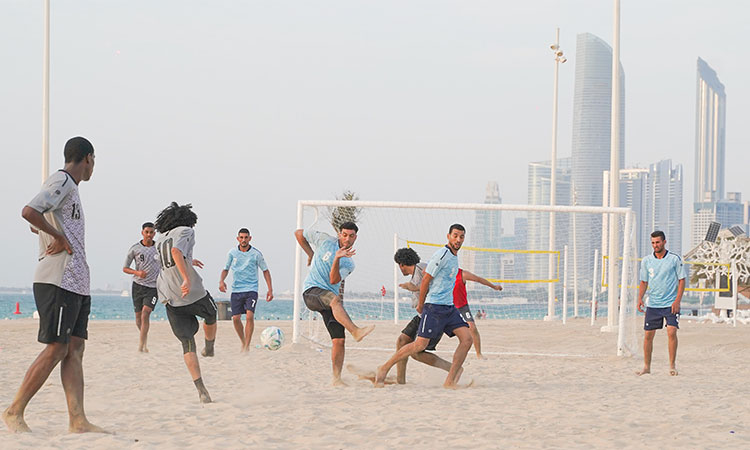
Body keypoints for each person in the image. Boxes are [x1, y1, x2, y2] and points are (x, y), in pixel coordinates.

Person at [4, 137, 106, 434]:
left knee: (74, 348)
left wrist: (49, 230)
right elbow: (29, 211)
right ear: (88, 158)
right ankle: (14, 411)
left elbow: (37, 221)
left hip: (76, 281)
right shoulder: (62, 181)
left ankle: (78, 420)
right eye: (94, 161)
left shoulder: (69, 189)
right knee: (56, 348)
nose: (93, 167)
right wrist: (58, 238)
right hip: (58, 278)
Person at [375, 224, 473, 389]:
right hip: (433, 307)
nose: (458, 239)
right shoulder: (441, 255)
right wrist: (421, 304)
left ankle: (450, 381)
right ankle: (384, 368)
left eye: (461, 237)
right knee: (418, 346)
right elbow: (427, 279)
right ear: (448, 236)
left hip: (448, 307)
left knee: (467, 339)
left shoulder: (454, 256)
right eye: (455, 235)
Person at [294, 222, 375, 386]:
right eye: (344, 235)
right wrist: (310, 254)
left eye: (351, 236)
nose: (347, 239)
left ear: (355, 238)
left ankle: (336, 378)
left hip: (329, 301)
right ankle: (356, 331)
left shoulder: (349, 264)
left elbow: (333, 279)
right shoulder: (324, 240)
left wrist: (338, 259)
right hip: (312, 292)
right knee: (335, 299)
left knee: (339, 340)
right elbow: (298, 233)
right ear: (339, 234)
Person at [154, 202, 216, 403]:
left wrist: (190, 260)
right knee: (211, 313)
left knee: (187, 343)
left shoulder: (160, 238)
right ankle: (209, 347)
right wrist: (186, 277)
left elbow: (167, 260)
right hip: (190, 292)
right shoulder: (186, 230)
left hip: (169, 295)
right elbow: (175, 253)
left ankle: (201, 390)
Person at [393, 247, 452, 384]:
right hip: (421, 316)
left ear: (402, 264)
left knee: (416, 353)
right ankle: (400, 380)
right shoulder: (416, 272)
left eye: (399, 266)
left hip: (433, 315)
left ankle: (452, 368)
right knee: (402, 341)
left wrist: (414, 288)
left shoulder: (421, 267)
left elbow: (435, 284)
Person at [636, 230, 686, 377]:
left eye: (657, 242)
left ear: (664, 242)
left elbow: (682, 280)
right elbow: (644, 282)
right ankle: (647, 366)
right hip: (653, 304)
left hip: (671, 303)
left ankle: (672, 365)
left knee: (671, 331)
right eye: (652, 243)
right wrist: (640, 298)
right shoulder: (646, 261)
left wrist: (677, 301)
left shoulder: (674, 259)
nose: (655, 245)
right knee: (648, 336)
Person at [219, 227, 273, 352]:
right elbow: (225, 269)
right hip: (236, 290)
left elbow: (265, 271)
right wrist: (221, 281)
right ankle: (243, 342)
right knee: (236, 318)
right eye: (241, 237)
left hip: (251, 289)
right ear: (238, 239)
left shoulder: (256, 254)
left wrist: (270, 289)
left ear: (250, 238)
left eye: (246, 237)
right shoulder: (232, 253)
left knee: (249, 316)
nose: (243, 240)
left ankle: (247, 346)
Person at [123, 222, 160, 353]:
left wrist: (190, 261)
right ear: (142, 233)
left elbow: (173, 258)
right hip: (138, 286)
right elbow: (125, 268)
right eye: (147, 232)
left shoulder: (159, 248)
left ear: (155, 233)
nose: (149, 235)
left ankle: (141, 345)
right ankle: (144, 340)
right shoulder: (135, 249)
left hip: (153, 287)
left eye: (151, 232)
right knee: (138, 318)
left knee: (146, 314)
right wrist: (137, 272)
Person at [453, 268, 502, 359]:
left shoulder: (462, 274)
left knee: (472, 327)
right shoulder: (442, 273)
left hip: (462, 307)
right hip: (448, 305)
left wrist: (494, 287)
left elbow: (478, 279)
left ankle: (478, 354)